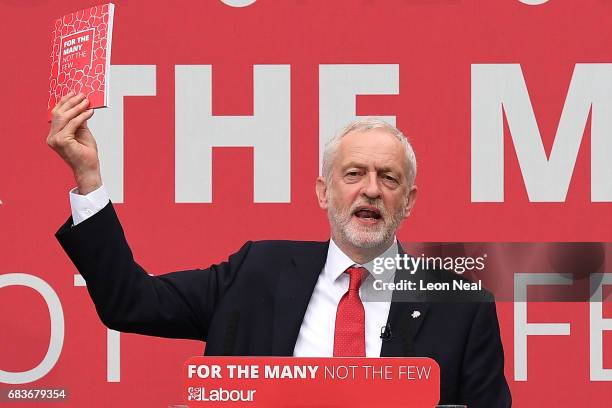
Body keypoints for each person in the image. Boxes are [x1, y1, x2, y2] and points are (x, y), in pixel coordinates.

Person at [47, 92, 512, 407]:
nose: (370, 190)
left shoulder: (462, 307)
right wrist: (88, 178)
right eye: (353, 174)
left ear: (408, 200)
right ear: (323, 192)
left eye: (388, 178)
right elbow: (130, 302)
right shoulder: (257, 272)